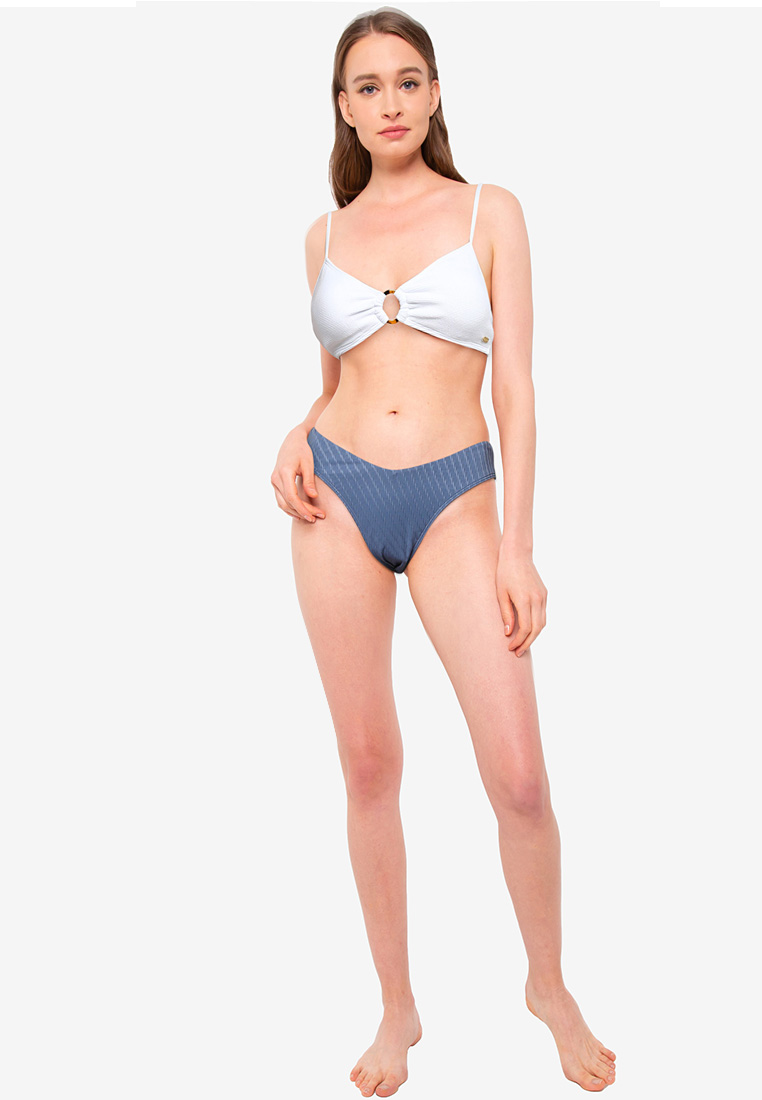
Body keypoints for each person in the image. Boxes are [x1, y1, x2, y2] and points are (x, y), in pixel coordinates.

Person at [271, 8, 616, 1097]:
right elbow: (339, 381)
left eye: (408, 81)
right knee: (369, 765)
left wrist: (520, 545)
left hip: (459, 498)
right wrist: (295, 430)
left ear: (435, 93)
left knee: (520, 776)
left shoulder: (489, 211)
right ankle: (398, 1005)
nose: (390, 103)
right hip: (335, 497)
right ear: (343, 107)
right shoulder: (323, 236)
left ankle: (548, 984)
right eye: (368, 86)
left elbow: (515, 384)